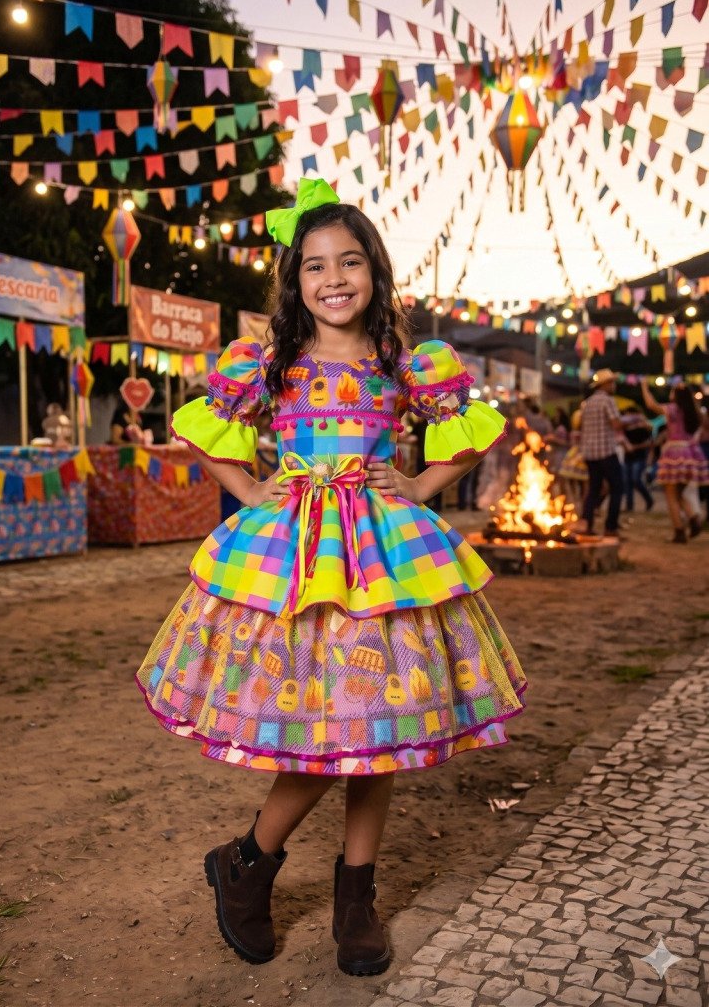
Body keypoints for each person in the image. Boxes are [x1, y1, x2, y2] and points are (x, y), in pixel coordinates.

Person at [135, 179, 528, 977]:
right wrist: (247, 489)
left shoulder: (405, 363)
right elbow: (206, 427)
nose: (333, 279)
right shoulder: (269, 362)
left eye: (349, 262)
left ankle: (356, 897)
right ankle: (250, 859)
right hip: (293, 556)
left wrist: (420, 487)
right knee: (327, 723)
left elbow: (469, 431)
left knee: (376, 719)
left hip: (384, 555)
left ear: (376, 274)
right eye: (314, 267)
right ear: (295, 283)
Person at [640, 379, 708, 542]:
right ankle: (693, 518)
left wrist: (644, 387)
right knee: (679, 493)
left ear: (677, 396)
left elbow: (651, 405)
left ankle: (679, 531)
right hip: (691, 454)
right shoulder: (696, 413)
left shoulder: (672, 409)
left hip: (674, 453)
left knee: (670, 495)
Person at [579, 369, 627, 537]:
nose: (614, 385)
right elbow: (616, 425)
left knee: (593, 489)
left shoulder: (587, 403)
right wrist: (630, 422)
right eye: (612, 382)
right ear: (605, 384)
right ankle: (610, 527)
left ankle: (586, 524)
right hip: (606, 451)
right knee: (617, 487)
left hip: (590, 453)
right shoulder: (608, 401)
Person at [620, 407, 654, 513]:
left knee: (636, 480)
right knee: (628, 482)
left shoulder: (643, 428)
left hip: (639, 457)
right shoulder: (624, 429)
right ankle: (629, 506)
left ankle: (649, 500)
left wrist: (635, 447)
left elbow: (650, 442)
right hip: (628, 458)